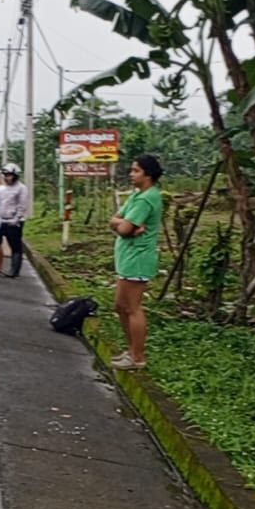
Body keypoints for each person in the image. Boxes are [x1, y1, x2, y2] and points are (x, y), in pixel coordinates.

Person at [108, 154, 164, 371]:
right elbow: (117, 220)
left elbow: (122, 228)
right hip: (127, 258)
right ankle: (130, 350)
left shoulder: (145, 200)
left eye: (136, 171)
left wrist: (122, 225)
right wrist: (122, 223)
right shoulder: (136, 196)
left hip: (138, 259)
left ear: (148, 174)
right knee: (120, 306)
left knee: (132, 308)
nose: (131, 174)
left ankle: (137, 356)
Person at [0, 163, 29, 278]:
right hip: (3, 220)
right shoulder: (3, 189)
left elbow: (22, 206)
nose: (7, 177)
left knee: (15, 246)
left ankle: (14, 270)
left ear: (15, 176)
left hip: (14, 221)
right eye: (5, 175)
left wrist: (16, 219)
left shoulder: (21, 188)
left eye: (9, 175)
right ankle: (2, 265)